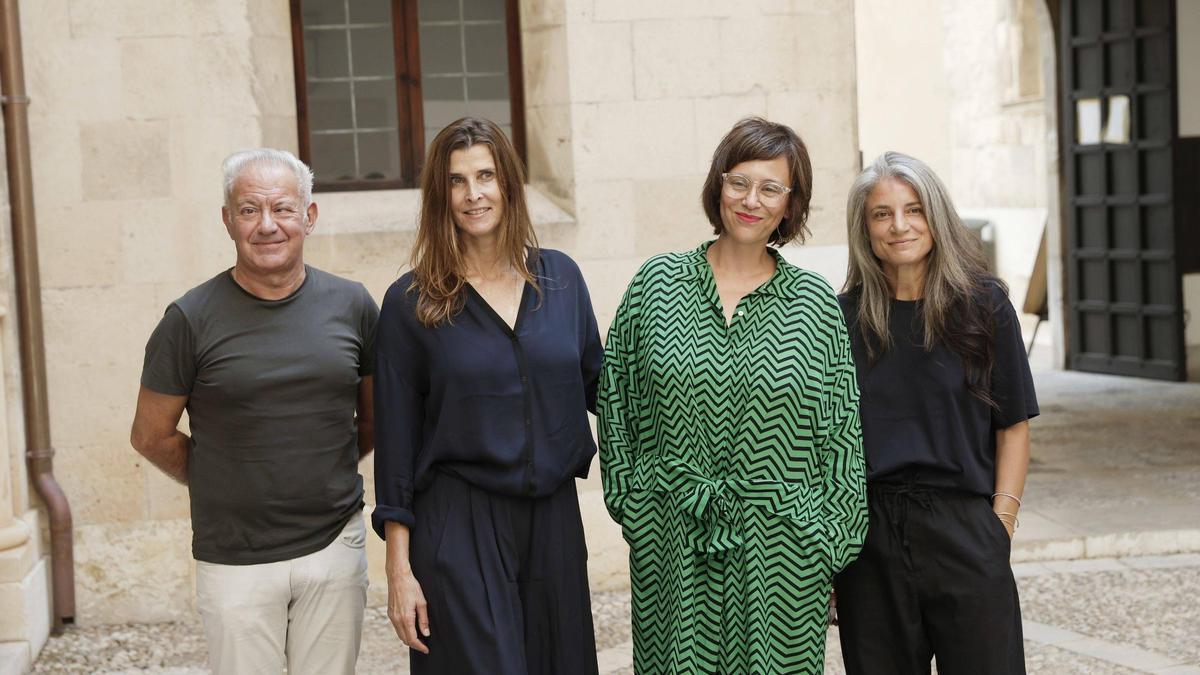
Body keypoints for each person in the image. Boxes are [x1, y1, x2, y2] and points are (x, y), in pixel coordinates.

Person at [598, 117, 868, 674]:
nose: (752, 200)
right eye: (739, 181)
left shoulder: (813, 306)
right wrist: (639, 507)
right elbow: (616, 400)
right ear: (718, 185)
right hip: (674, 539)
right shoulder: (657, 284)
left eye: (771, 188)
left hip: (783, 553)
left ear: (791, 205)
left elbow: (842, 433)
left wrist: (827, 545)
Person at [130, 149, 377, 675]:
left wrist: (317, 467)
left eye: (283, 209)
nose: (267, 225)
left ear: (308, 217)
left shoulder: (353, 305)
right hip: (234, 559)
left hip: (333, 545)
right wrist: (226, 477)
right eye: (249, 210)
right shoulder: (189, 319)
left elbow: (375, 418)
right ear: (227, 220)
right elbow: (151, 436)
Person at [372, 117, 601, 675]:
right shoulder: (411, 302)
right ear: (440, 195)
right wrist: (399, 572)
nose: (474, 194)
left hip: (552, 519)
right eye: (456, 181)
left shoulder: (562, 280)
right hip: (458, 520)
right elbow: (396, 446)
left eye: (486, 176)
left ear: (510, 184)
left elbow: (608, 389)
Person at [833, 151, 1039, 674]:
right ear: (865, 228)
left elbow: (1012, 427)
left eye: (913, 209)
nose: (899, 225)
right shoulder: (844, 318)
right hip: (869, 539)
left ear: (936, 216)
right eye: (882, 213)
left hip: (964, 528)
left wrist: (1000, 528)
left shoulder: (984, 305)